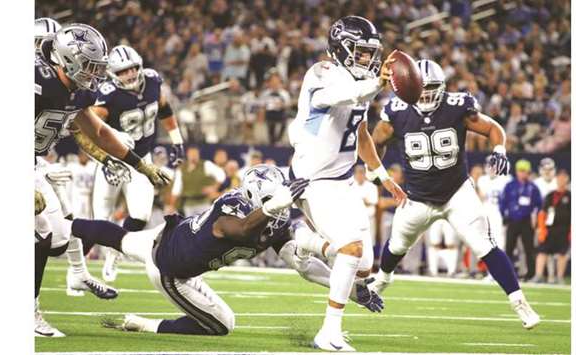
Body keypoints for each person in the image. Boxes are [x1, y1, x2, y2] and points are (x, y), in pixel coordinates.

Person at [70, 165, 382, 336]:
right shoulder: (233, 209)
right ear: (256, 197)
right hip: (170, 268)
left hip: (169, 238)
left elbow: (301, 264)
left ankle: (65, 224)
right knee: (222, 326)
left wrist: (351, 290)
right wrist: (275, 205)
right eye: (273, 200)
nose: (282, 207)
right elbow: (241, 229)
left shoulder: (272, 216)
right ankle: (146, 324)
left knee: (121, 239)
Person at [368, 59, 540, 330]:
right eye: (419, 89)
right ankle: (383, 279)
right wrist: (377, 171)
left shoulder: (457, 106)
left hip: (456, 192)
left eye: (431, 88)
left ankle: (519, 301)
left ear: (443, 87)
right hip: (416, 196)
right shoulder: (397, 111)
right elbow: (373, 141)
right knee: (396, 246)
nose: (425, 95)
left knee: (486, 246)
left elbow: (494, 128)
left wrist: (499, 150)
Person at [35, 23, 170, 337]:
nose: (96, 75)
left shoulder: (79, 90)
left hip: (32, 161)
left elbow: (97, 131)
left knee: (55, 242)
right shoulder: (37, 80)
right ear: (68, 60)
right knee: (39, 235)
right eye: (91, 67)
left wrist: (140, 166)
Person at [287, 16, 406, 351]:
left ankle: (306, 241)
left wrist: (382, 176)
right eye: (363, 52)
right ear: (341, 48)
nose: (369, 60)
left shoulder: (361, 82)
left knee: (365, 265)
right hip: (312, 180)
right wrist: (376, 85)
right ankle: (329, 332)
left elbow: (361, 132)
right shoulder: (322, 73)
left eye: (372, 53)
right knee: (351, 250)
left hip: (342, 181)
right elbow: (338, 98)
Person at [88, 45, 185, 283]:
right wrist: (105, 158)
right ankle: (77, 269)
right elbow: (89, 130)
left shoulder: (153, 81)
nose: (130, 75)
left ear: (140, 66)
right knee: (101, 218)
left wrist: (177, 142)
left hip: (142, 161)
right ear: (113, 74)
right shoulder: (107, 94)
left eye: (132, 69)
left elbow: (165, 110)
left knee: (140, 216)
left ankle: (113, 254)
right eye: (122, 72)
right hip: (113, 161)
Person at [499, 159, 542, 281]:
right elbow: (503, 202)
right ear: (517, 171)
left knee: (529, 248)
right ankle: (507, 273)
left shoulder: (533, 187)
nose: (523, 173)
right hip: (512, 220)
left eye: (525, 171)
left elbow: (539, 204)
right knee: (509, 248)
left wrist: (535, 216)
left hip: (526, 220)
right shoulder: (510, 185)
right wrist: (504, 215)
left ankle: (530, 274)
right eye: (520, 171)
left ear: (528, 172)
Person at [532, 170, 571, 284]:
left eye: (564, 178)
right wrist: (541, 229)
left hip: (564, 229)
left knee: (562, 254)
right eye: (559, 178)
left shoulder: (570, 196)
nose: (561, 180)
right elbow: (542, 213)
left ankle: (559, 277)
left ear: (567, 180)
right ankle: (538, 275)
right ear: (556, 180)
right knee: (542, 251)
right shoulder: (550, 195)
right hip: (550, 228)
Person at [259, 68, 292, 145]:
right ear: (269, 82)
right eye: (273, 81)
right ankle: (271, 140)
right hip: (269, 114)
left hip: (280, 114)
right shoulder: (265, 93)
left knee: (285, 120)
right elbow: (261, 106)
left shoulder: (284, 93)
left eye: (276, 81)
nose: (275, 83)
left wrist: (282, 105)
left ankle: (278, 140)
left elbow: (288, 105)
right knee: (269, 124)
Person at [352, 165, 379, 244]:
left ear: (365, 174)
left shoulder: (372, 186)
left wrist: (363, 201)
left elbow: (374, 201)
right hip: (355, 219)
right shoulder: (351, 186)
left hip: (369, 219)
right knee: (356, 242)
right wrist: (363, 201)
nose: (359, 175)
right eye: (358, 173)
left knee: (369, 242)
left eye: (361, 173)